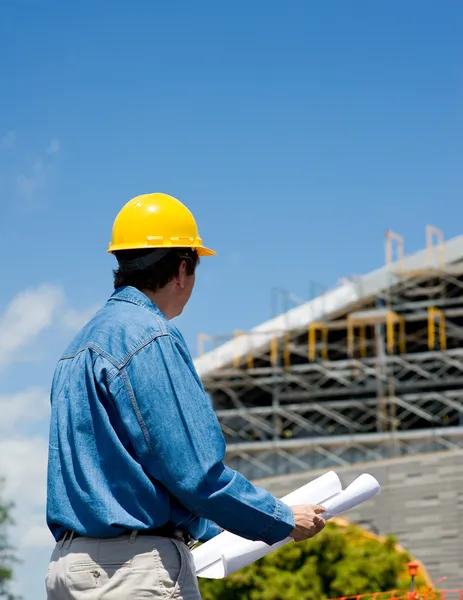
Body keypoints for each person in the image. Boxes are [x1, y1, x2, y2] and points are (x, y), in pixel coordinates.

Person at [45, 193, 326, 599]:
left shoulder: (77, 348)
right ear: (182, 268)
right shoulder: (149, 336)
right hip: (132, 572)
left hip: (69, 569)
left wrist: (214, 527)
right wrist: (281, 518)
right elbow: (195, 474)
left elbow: (125, 477)